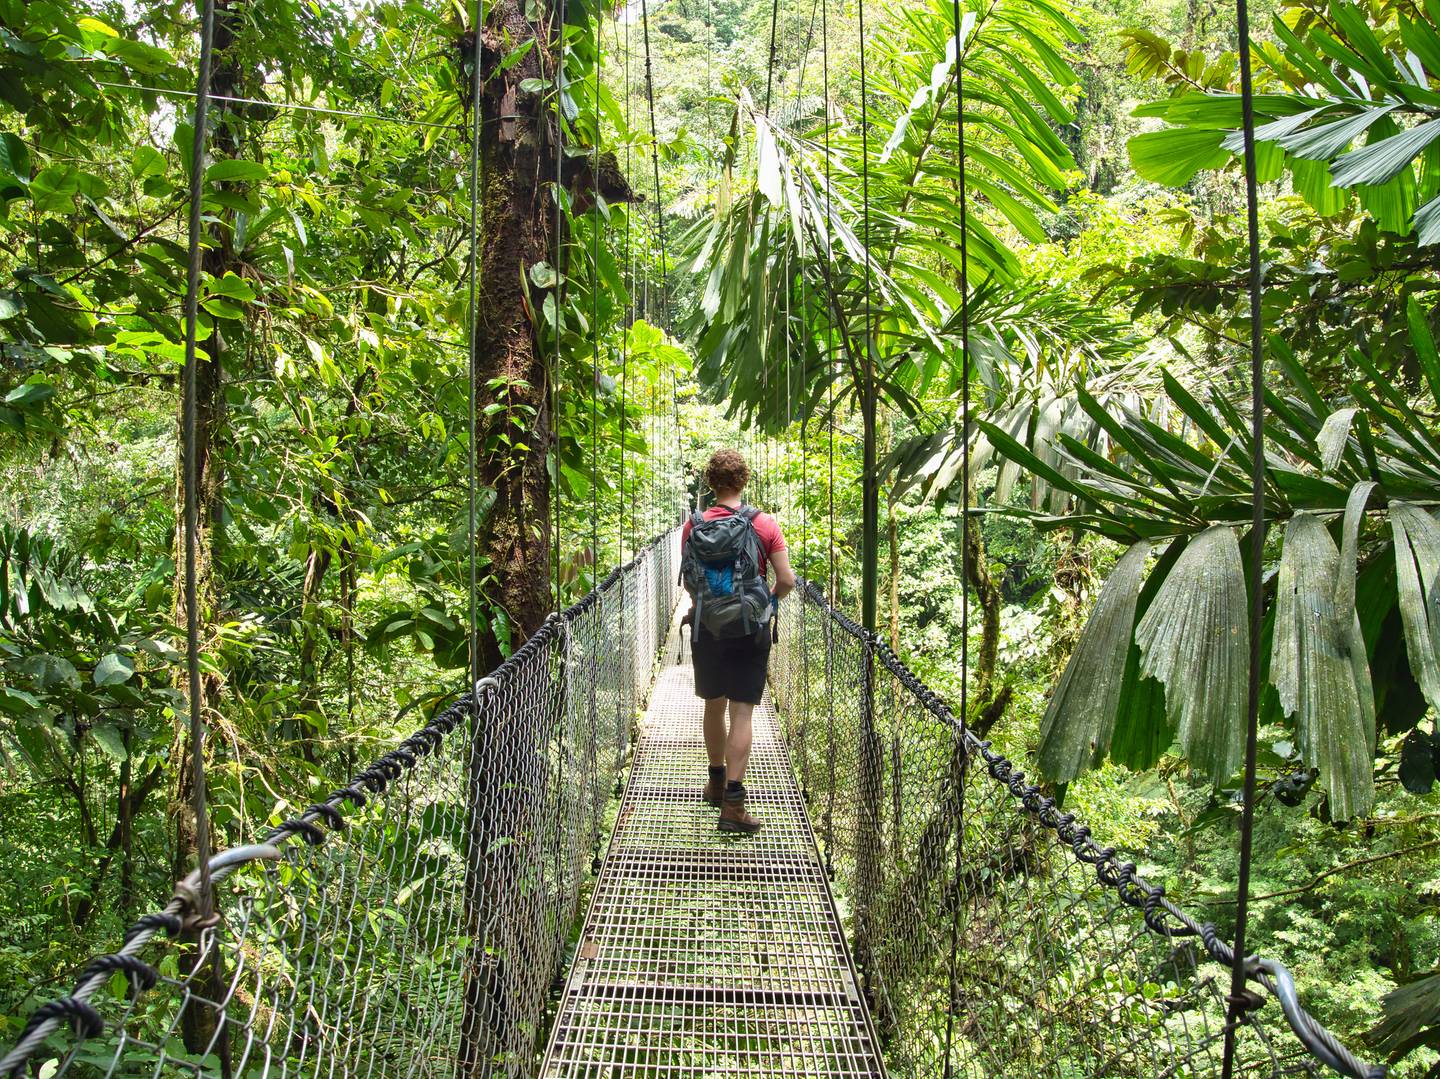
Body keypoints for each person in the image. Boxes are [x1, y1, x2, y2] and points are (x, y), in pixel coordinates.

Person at [680, 449, 796, 834]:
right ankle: (732, 803)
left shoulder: (692, 525)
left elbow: (689, 579)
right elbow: (787, 581)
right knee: (742, 712)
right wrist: (768, 602)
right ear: (744, 480)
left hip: (706, 627)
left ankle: (714, 782)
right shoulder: (764, 524)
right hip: (750, 628)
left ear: (710, 483)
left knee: (714, 706)